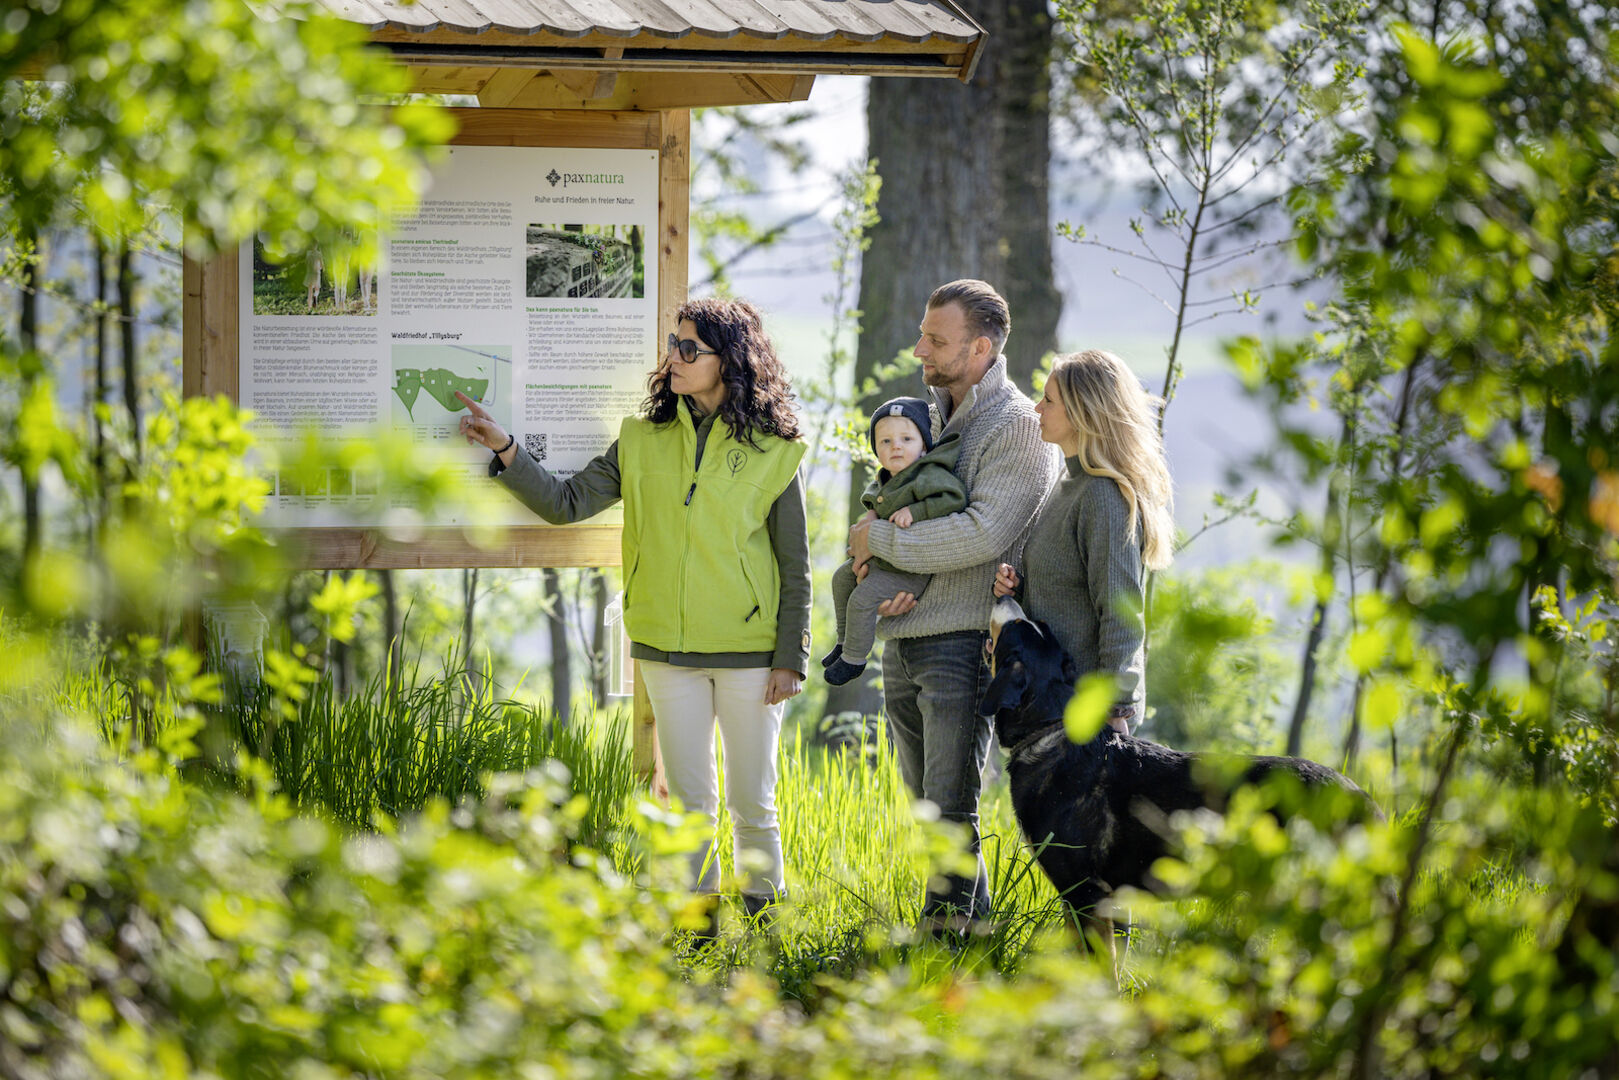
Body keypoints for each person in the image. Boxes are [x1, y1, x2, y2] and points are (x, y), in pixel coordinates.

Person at [456, 298, 810, 929]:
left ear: (729, 361)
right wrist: (506, 449)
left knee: (753, 803)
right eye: (673, 344)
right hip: (664, 652)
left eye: (689, 349)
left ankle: (764, 934)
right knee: (691, 803)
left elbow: (795, 565)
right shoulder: (640, 439)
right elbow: (566, 503)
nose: (673, 358)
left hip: (751, 655)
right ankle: (697, 927)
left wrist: (791, 658)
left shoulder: (775, 451)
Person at [847, 279, 1060, 931]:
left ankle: (944, 952)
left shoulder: (1016, 427)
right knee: (927, 810)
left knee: (947, 809)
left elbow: (983, 533)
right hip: (905, 636)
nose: (919, 348)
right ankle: (974, 937)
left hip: (963, 644)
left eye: (934, 340)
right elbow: (887, 502)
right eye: (921, 333)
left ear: (980, 347)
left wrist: (877, 540)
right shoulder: (925, 417)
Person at [993, 349, 1175, 733]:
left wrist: (1115, 711)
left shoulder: (1102, 496)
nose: (1037, 408)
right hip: (1052, 704)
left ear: (1081, 413)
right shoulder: (1068, 483)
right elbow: (1070, 590)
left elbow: (1120, 611)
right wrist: (1021, 588)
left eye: (1049, 400)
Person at [824, 397, 967, 687]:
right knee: (841, 578)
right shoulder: (887, 478)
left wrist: (915, 511)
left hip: (908, 570)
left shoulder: (928, 475)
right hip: (882, 562)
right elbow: (875, 503)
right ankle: (844, 642)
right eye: (885, 441)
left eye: (906, 439)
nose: (896, 446)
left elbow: (955, 499)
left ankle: (854, 659)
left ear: (924, 445)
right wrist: (873, 513)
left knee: (863, 599)